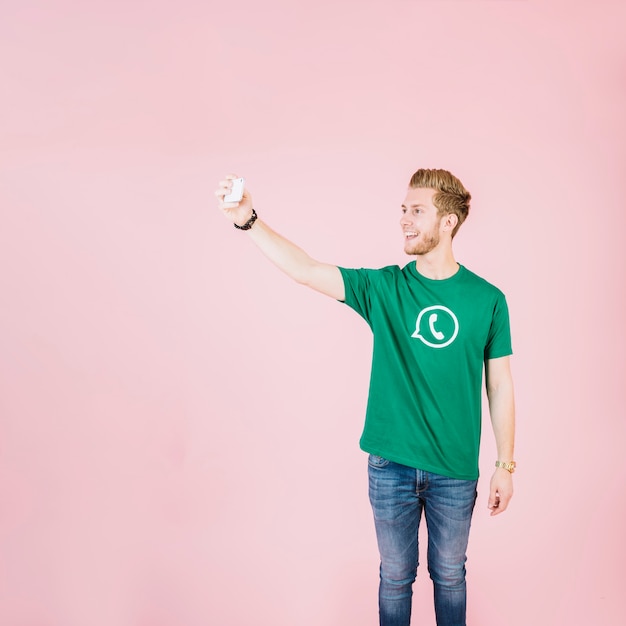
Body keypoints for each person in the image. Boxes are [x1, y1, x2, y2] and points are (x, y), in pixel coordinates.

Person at [215, 169, 515, 626]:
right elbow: (307, 271)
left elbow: (500, 385)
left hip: (455, 471)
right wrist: (249, 220)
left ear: (448, 222)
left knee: (450, 575)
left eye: (417, 211)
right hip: (389, 467)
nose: (404, 220)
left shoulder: (487, 299)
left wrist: (505, 465)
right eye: (403, 210)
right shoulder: (385, 288)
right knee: (395, 577)